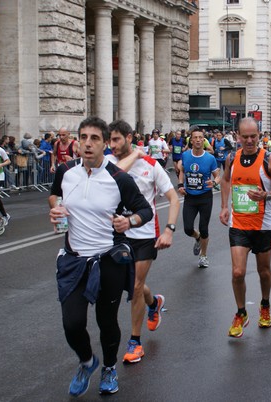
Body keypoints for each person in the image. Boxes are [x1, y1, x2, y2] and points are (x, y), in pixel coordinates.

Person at [48, 116, 153, 396]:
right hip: (74, 259)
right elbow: (55, 196)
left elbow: (146, 210)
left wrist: (128, 222)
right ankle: (87, 361)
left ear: (105, 144)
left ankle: (108, 367)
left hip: (107, 260)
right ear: (77, 141)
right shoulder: (66, 171)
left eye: (95, 138)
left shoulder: (119, 178)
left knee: (106, 321)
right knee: (72, 323)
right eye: (83, 137)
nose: (87, 143)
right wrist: (57, 210)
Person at [106, 120, 180, 365]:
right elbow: (111, 176)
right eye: (109, 140)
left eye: (117, 139)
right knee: (130, 284)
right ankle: (154, 302)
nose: (112, 145)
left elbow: (173, 198)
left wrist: (169, 230)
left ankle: (135, 342)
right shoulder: (108, 165)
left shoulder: (151, 166)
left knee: (136, 286)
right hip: (116, 235)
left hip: (145, 235)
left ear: (129, 137)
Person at [219, 117, 271, 338]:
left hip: (262, 225)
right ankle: (241, 313)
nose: (249, 141)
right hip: (238, 223)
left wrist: (266, 195)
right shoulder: (232, 157)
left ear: (259, 136)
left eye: (254, 136)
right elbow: (225, 180)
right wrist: (224, 206)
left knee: (263, 271)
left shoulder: (268, 159)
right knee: (238, 272)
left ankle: (265, 305)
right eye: (245, 137)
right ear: (237, 137)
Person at [177, 127, 220, 268]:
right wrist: (180, 185)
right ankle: (197, 237)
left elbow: (218, 176)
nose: (198, 140)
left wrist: (213, 183)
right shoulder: (186, 155)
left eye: (200, 137)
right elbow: (182, 171)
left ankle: (203, 255)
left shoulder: (210, 158)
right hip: (190, 197)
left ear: (204, 140)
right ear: (191, 140)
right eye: (195, 137)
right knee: (188, 228)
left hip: (205, 197)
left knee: (204, 228)